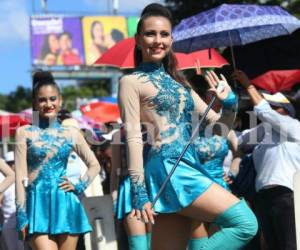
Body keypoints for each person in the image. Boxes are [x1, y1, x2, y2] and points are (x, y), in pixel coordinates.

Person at [118, 3, 258, 250]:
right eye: (150, 34)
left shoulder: (181, 85)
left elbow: (218, 130)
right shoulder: (130, 82)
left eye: (164, 34)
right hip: (167, 167)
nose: (158, 40)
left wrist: (229, 103)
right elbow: (132, 138)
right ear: (138, 39)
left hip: (186, 165)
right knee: (245, 223)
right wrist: (139, 193)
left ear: (171, 39)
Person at [14, 71, 101, 250]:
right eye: (42, 100)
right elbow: (19, 178)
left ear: (60, 101)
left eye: (52, 99)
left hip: (66, 203)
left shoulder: (71, 133)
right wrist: (21, 214)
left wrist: (78, 186)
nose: (48, 104)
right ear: (35, 103)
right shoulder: (24, 133)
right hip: (37, 204)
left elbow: (94, 165)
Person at [232, 69, 300, 250]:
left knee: (290, 246)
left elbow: (264, 112)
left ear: (286, 112)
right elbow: (235, 139)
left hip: (288, 195)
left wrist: (247, 84)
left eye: (274, 107)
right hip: (262, 197)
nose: (268, 110)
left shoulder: (294, 127)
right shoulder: (263, 132)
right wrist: (224, 103)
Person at [0, 152, 24, 250]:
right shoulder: (2, 178)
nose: (13, 165)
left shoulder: (23, 179)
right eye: (10, 163)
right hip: (8, 224)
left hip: (21, 222)